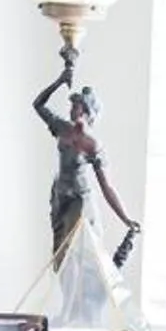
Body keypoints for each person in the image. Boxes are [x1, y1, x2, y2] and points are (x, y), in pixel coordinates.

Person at [32, 50, 140, 270]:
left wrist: (125, 219)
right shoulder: (62, 128)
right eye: (73, 105)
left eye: (77, 106)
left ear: (87, 112)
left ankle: (83, 294)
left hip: (79, 202)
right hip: (60, 197)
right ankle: (69, 299)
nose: (72, 108)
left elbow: (107, 187)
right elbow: (38, 104)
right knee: (60, 262)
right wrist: (60, 81)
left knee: (79, 258)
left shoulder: (92, 144)